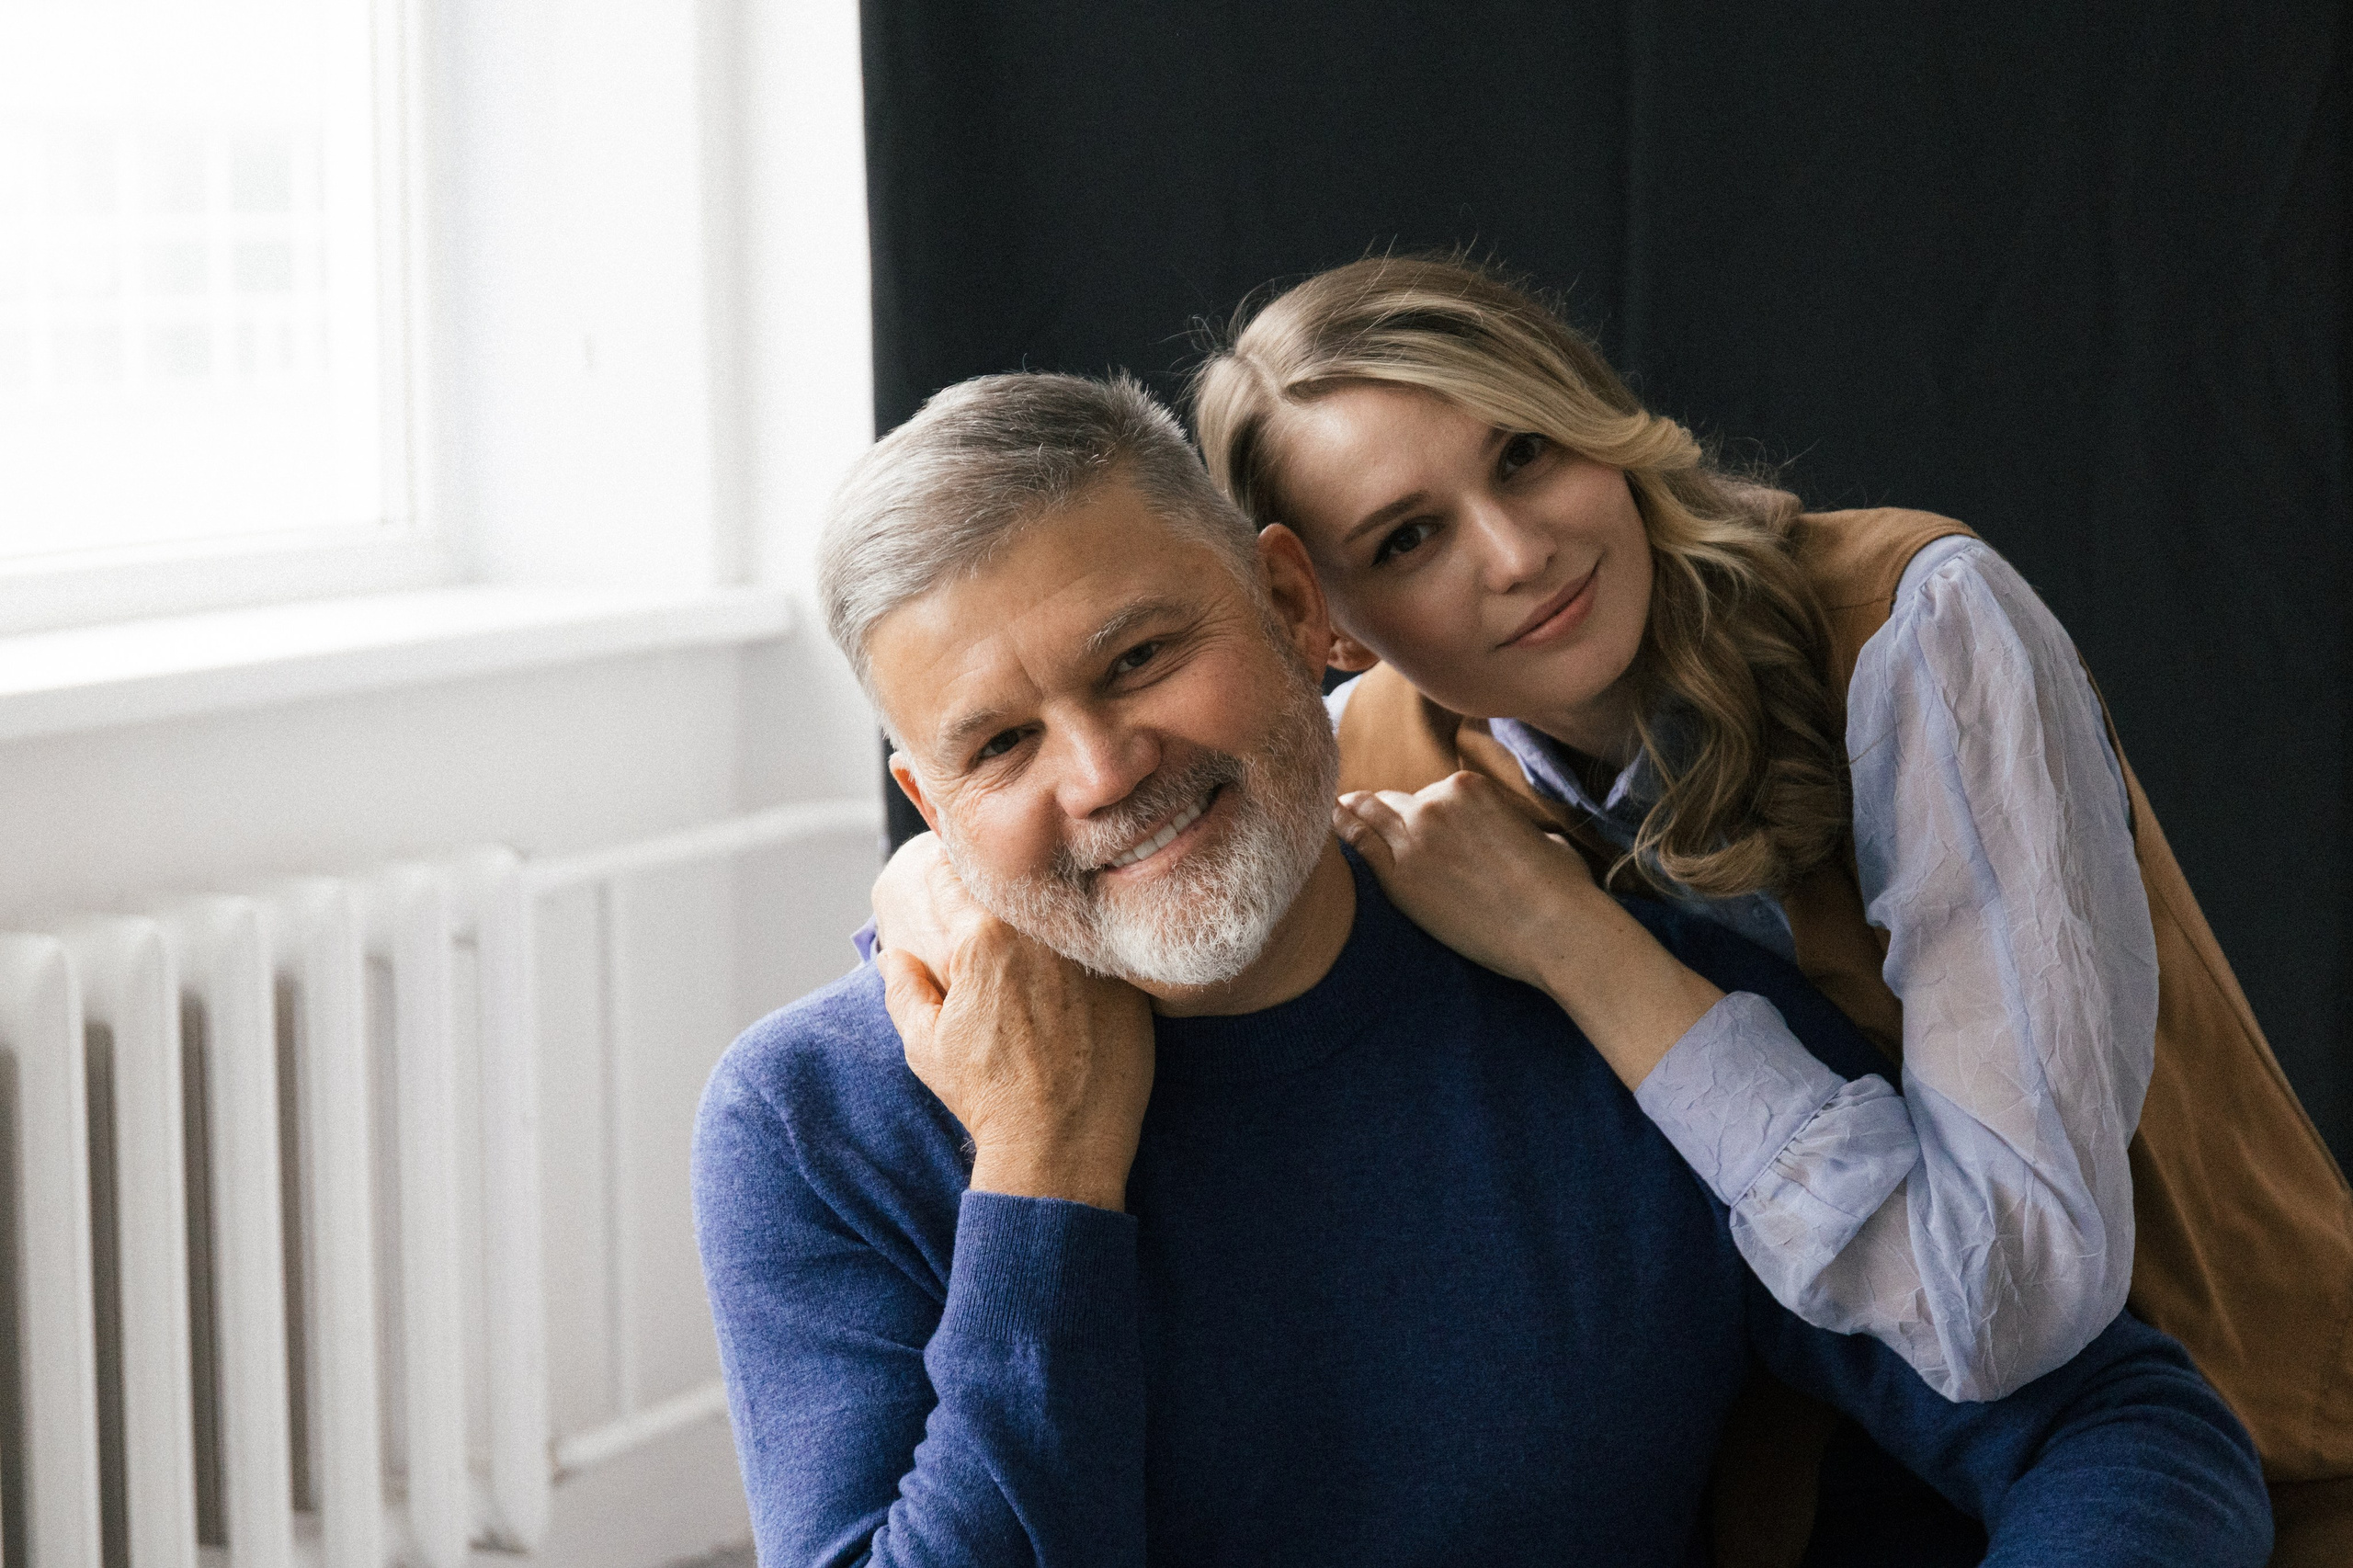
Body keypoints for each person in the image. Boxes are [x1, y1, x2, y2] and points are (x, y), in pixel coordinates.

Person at [692, 369, 2269, 1567]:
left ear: (1292, 605)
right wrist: (1044, 1170)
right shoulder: (811, 1123)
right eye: (1000, 743)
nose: (1103, 771)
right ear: (931, 804)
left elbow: (2113, 1416)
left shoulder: (1606, 1001)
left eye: (1142, 657)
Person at [1182, 256, 2353, 1559]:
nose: (1518, 554)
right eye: (1408, 540)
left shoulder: (1915, 630)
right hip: (1799, 1515)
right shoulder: (1374, 768)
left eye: (1525, 452)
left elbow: (2010, 1307)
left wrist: (1573, 942)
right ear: (1318, 616)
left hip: (2217, 1466)